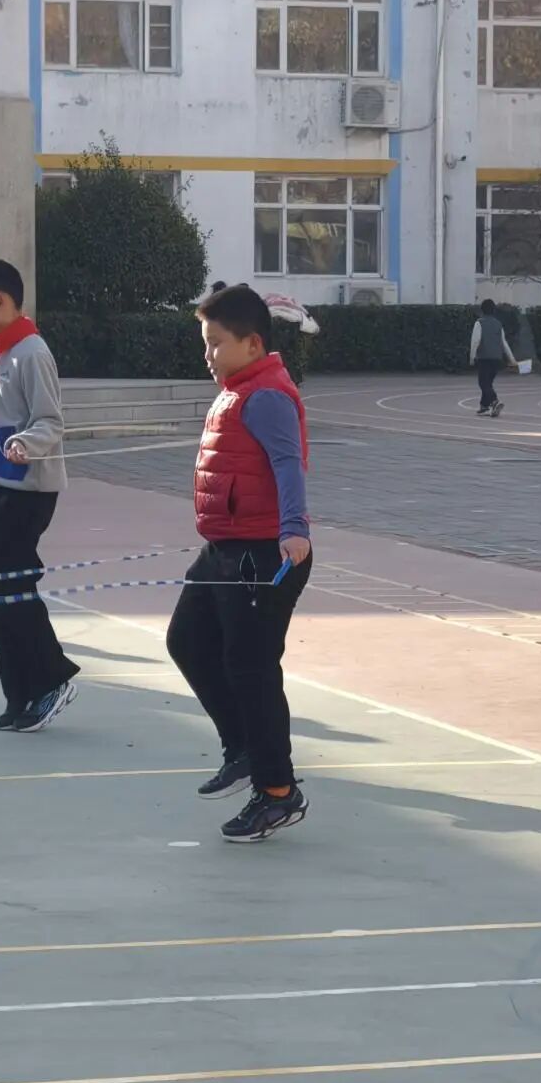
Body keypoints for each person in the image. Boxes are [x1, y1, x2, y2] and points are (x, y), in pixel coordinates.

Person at [168, 285, 316, 843]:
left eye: (216, 343)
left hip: (263, 553)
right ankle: (244, 749)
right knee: (187, 640)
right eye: (205, 342)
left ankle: (277, 791)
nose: (208, 354)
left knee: (251, 668)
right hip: (224, 547)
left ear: (253, 344)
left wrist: (294, 530)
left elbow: (288, 463)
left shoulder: (267, 395)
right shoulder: (236, 391)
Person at [0, 258, 80, 731]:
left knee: (8, 585)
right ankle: (21, 692)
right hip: (1, 481)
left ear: (1, 301)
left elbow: (50, 421)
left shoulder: (31, 352)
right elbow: (0, 415)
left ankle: (50, 679)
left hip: (29, 490)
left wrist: (28, 442)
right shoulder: (1, 350)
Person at [471, 298, 515, 417]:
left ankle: (495, 401)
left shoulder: (479, 323)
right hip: (496, 358)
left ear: (482, 310)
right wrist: (512, 359)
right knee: (488, 382)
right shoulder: (498, 324)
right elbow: (503, 343)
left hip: (484, 357)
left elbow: (475, 341)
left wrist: (472, 357)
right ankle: (484, 406)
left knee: (483, 383)